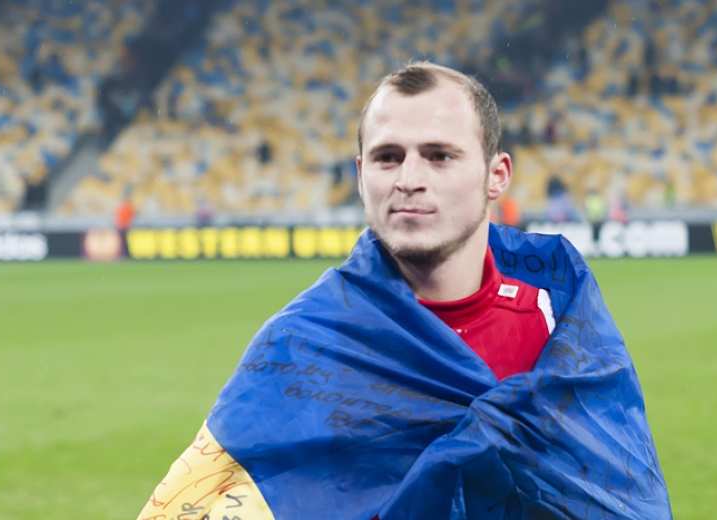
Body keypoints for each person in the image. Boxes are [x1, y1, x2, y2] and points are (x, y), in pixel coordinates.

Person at [137, 63, 671, 519]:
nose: (408, 178)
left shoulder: (561, 320)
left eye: (439, 156)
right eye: (388, 157)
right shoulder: (304, 344)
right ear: (360, 173)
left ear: (497, 175)